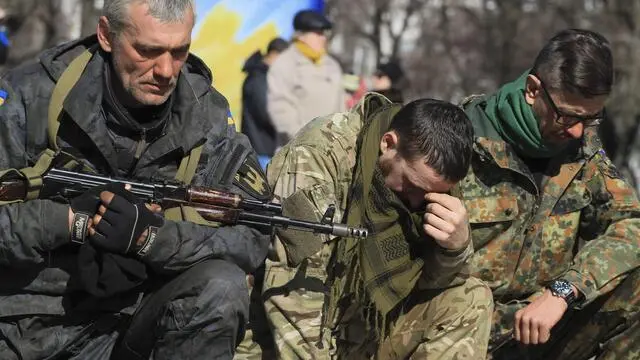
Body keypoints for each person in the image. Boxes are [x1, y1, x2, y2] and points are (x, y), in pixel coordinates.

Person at [0, 0, 271, 359]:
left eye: (180, 51)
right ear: (106, 35)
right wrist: (69, 222)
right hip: (29, 326)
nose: (165, 70)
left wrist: (150, 237)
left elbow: (252, 234)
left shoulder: (208, 117)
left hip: (141, 320)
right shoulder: (29, 96)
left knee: (221, 286)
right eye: (147, 50)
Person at [236, 92, 493, 359]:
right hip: (291, 339)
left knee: (471, 299)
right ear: (388, 143)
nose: (417, 202)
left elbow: (434, 283)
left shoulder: (433, 179)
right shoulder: (320, 155)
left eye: (428, 195)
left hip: (367, 331)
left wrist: (455, 249)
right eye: (412, 186)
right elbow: (295, 292)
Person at [459, 29, 640, 359]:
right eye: (568, 115)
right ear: (533, 90)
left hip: (545, 332)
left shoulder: (582, 151)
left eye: (591, 118)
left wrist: (566, 289)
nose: (577, 131)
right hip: (464, 334)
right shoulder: (460, 142)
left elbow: (631, 227)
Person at [267, 9, 345, 148]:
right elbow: (281, 110)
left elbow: (341, 107)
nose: (323, 38)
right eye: (318, 34)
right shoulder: (285, 64)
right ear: (301, 36)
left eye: (324, 34)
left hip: (331, 151)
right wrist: (309, 141)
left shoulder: (332, 65)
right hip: (296, 151)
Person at [241, 37, 289, 169]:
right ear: (274, 54)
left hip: (267, 149)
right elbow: (267, 113)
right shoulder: (258, 79)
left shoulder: (266, 77)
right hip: (260, 150)